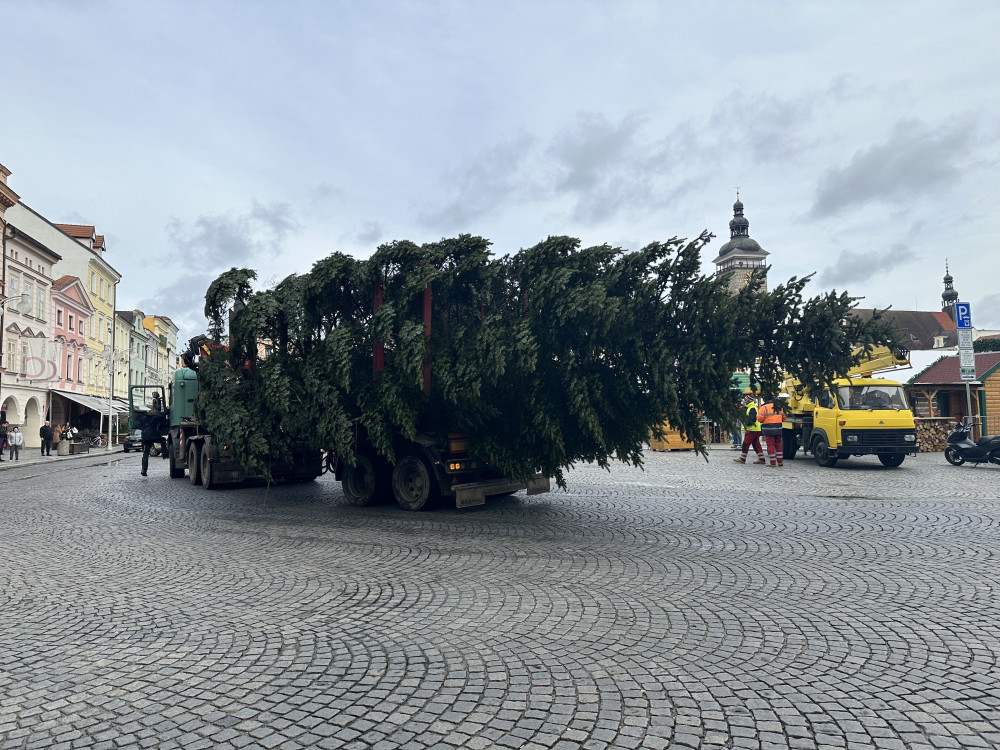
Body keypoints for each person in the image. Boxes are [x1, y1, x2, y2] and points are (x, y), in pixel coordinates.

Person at [733, 397, 765, 465]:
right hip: (755, 429)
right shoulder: (751, 407)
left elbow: (752, 419)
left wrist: (746, 423)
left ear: (748, 401)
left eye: (745, 400)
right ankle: (761, 458)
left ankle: (742, 458)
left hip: (752, 429)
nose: (744, 401)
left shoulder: (751, 408)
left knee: (746, 443)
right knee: (756, 444)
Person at [757, 398, 785, 468]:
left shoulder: (764, 407)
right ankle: (780, 461)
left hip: (768, 429)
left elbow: (759, 418)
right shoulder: (779, 407)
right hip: (778, 428)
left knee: (770, 445)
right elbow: (784, 417)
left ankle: (772, 462)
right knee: (778, 445)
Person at [140, 408, 167, 476]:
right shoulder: (155, 418)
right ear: (152, 413)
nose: (155, 412)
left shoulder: (143, 418)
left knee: (145, 453)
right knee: (163, 440)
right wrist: (167, 410)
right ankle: (164, 453)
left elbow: (140, 423)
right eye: (154, 411)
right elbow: (163, 416)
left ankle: (144, 470)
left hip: (145, 437)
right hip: (153, 436)